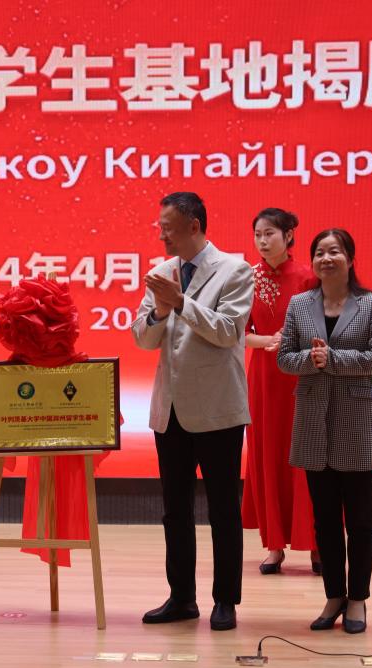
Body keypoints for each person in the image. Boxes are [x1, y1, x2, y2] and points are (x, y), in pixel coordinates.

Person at [131, 192, 254, 631]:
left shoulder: (235, 269)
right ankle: (181, 597)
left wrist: (181, 303)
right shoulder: (163, 273)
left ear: (194, 225)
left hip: (218, 410)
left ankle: (225, 600)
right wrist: (159, 311)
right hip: (171, 411)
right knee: (175, 510)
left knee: (223, 510)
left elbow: (228, 332)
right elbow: (142, 338)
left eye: (167, 227)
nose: (161, 235)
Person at [277, 228, 372, 634]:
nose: (326, 259)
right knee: (324, 522)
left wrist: (334, 359)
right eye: (319, 253)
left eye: (335, 252)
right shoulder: (299, 304)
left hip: (356, 422)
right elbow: (285, 358)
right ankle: (333, 596)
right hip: (313, 422)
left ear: (350, 258)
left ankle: (357, 599)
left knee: (359, 520)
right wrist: (311, 360)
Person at [241, 208, 320, 575]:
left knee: (307, 456)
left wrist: (291, 341)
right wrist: (267, 340)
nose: (262, 240)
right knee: (267, 454)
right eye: (258, 234)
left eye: (269, 233)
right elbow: (237, 332)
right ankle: (274, 546)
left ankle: (317, 544)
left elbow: (322, 327)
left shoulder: (308, 277)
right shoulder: (246, 278)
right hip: (262, 377)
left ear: (288, 236)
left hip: (300, 375)